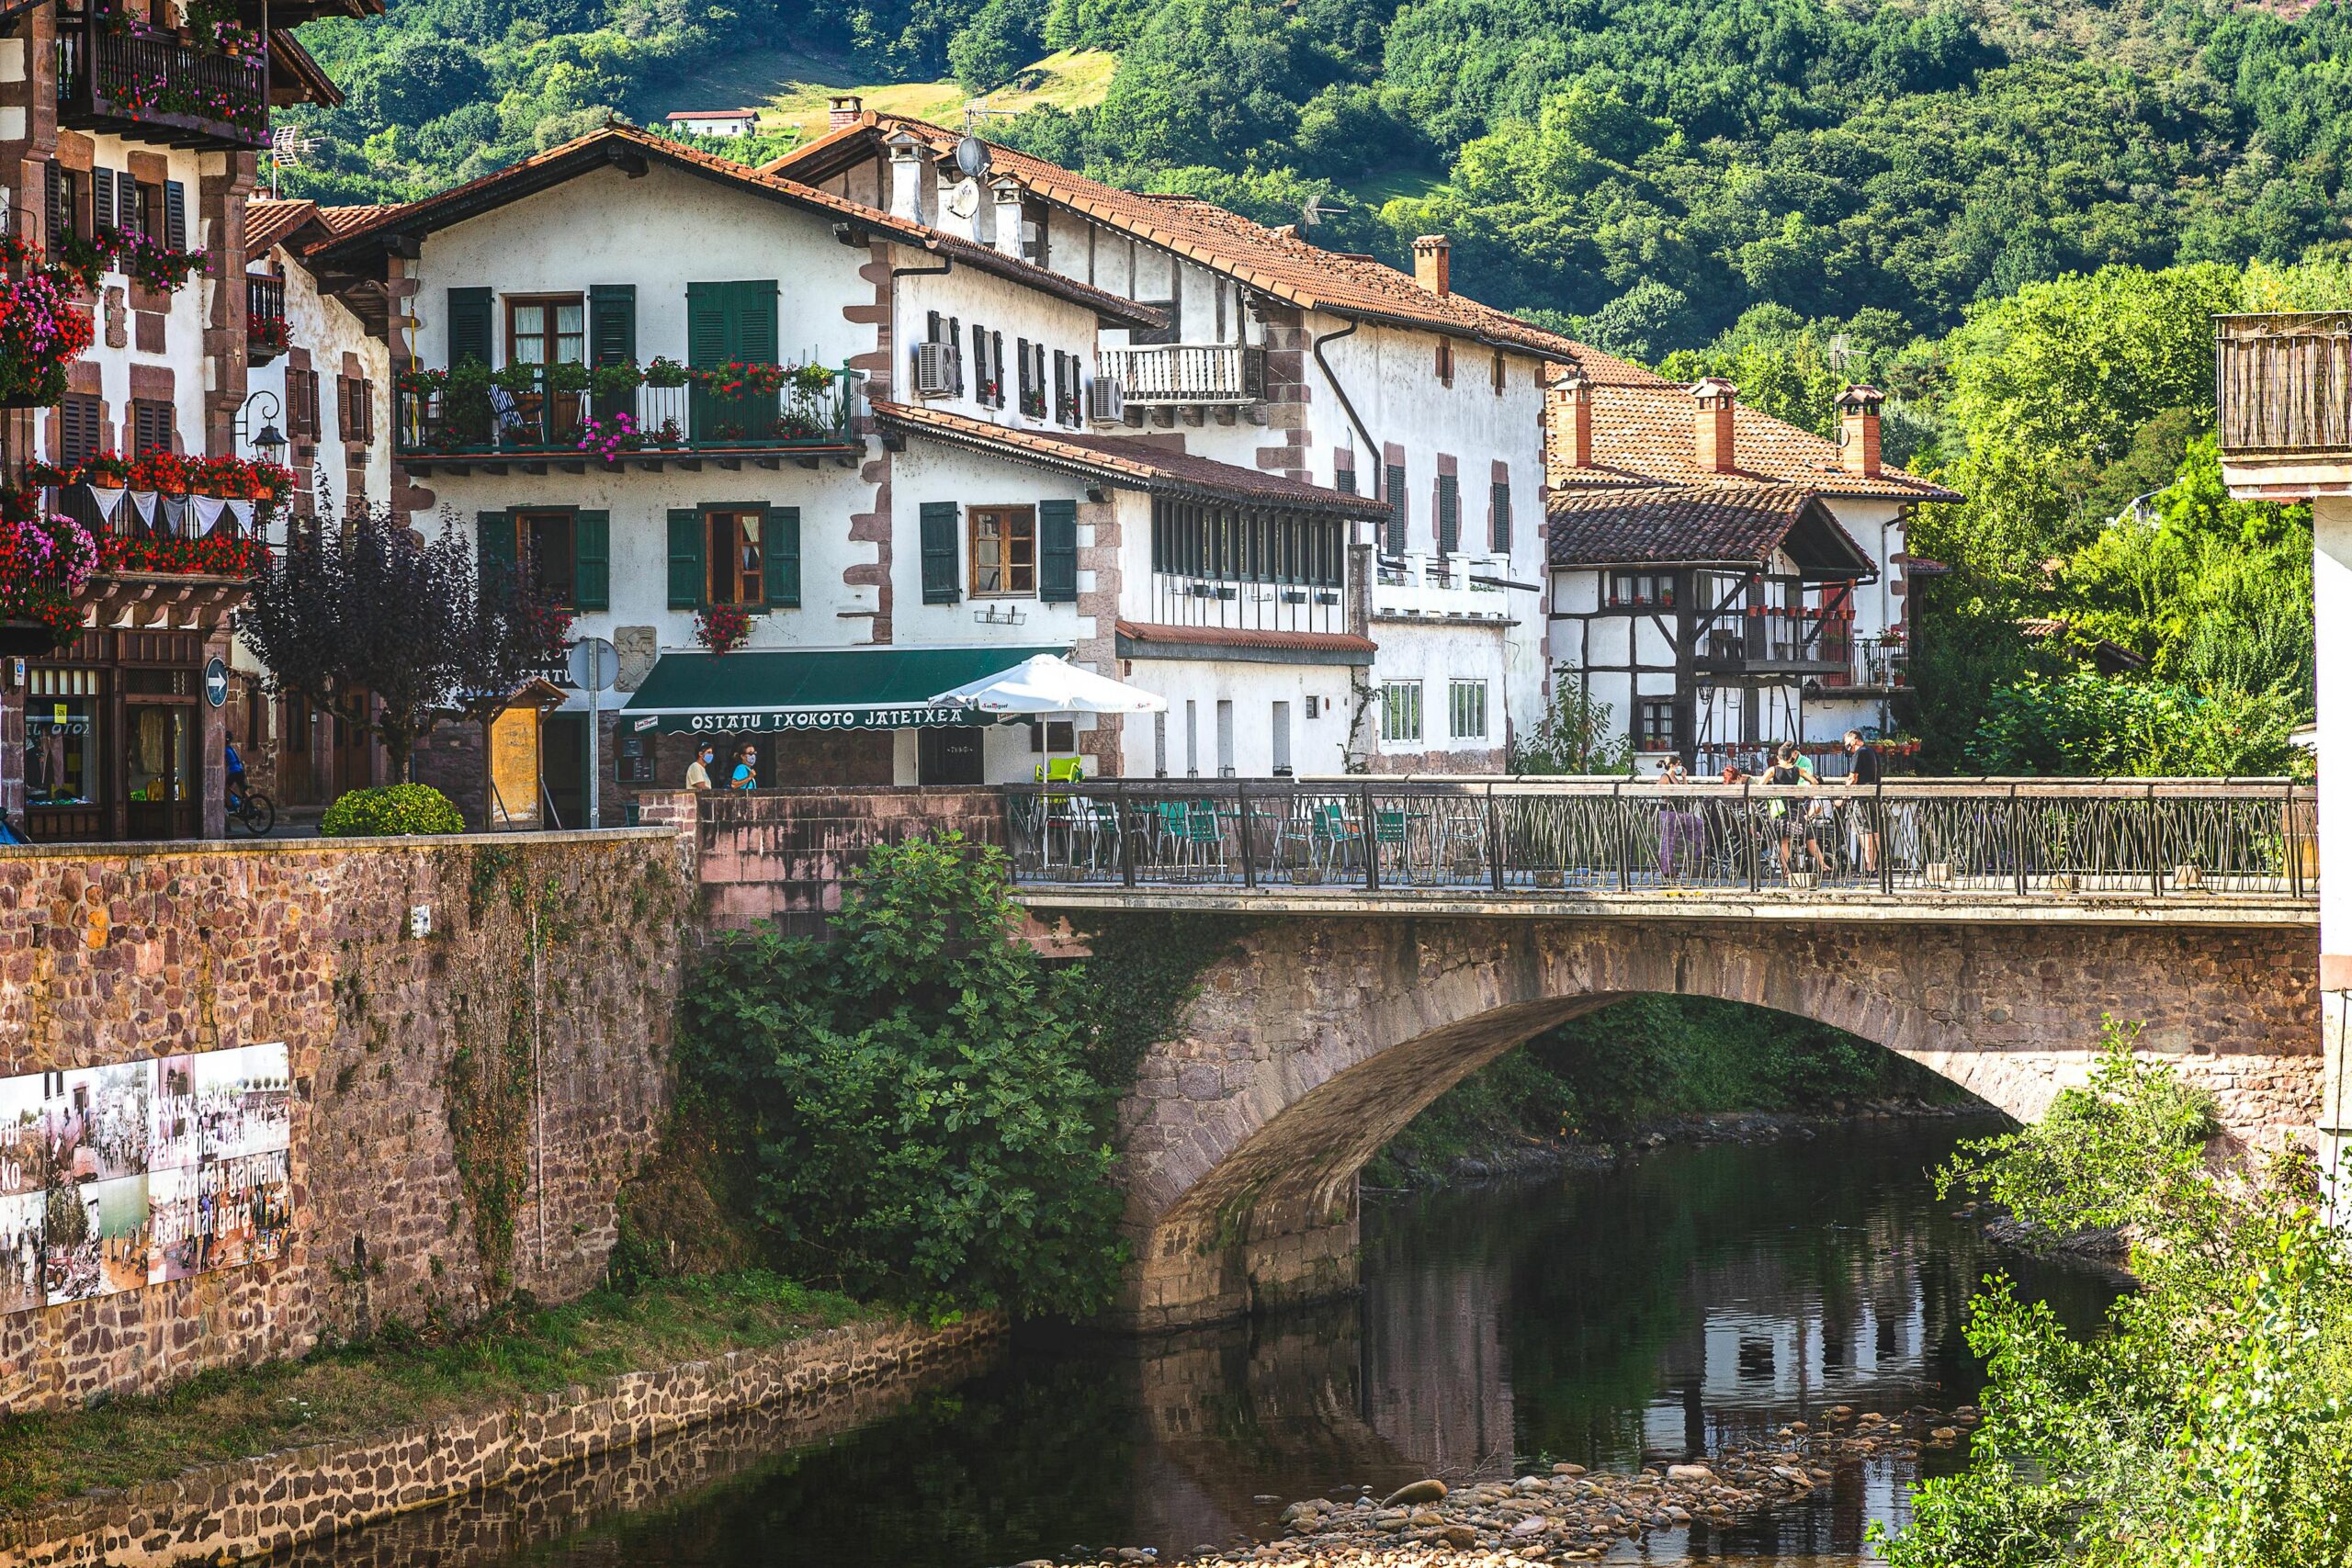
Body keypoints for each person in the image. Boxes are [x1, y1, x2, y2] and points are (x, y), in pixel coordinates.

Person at [1655, 757, 1703, 881]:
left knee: (1699, 825)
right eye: (1678, 764)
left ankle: (1698, 855)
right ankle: (1667, 870)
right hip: (1669, 812)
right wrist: (1668, 795)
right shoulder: (1665, 777)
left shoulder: (1676, 778)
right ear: (1672, 765)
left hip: (1680, 812)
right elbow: (1658, 789)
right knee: (1668, 841)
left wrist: (1684, 778)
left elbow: (1685, 792)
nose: (1680, 766)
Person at [1843, 729, 1883, 874]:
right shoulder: (1873, 752)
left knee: (1864, 832)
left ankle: (1869, 867)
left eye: (1847, 744)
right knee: (1875, 832)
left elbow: (1853, 778)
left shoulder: (1859, 753)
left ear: (1854, 740)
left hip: (1862, 798)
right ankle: (1881, 865)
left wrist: (1844, 795)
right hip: (1874, 796)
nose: (1847, 748)